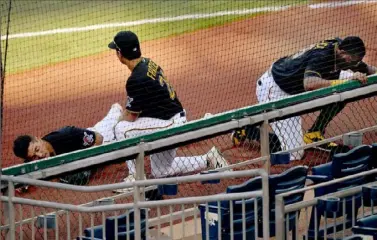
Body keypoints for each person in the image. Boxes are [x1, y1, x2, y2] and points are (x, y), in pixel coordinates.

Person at [108, 30, 230, 192]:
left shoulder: (136, 79)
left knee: (121, 129)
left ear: (120, 54)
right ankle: (209, 159)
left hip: (169, 124)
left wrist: (115, 126)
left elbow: (131, 116)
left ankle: (135, 177)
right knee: (161, 171)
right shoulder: (148, 63)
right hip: (173, 118)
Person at [232, 36, 377, 160]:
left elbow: (368, 70)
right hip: (276, 89)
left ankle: (314, 132)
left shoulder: (341, 51)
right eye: (352, 61)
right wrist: (345, 82)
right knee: (295, 153)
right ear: (342, 52)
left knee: (349, 87)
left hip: (296, 84)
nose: (354, 65)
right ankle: (248, 129)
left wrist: (362, 74)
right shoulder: (322, 57)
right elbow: (309, 84)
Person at [13, 103, 123, 185]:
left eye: (37, 149)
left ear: (38, 139)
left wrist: (84, 163)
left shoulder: (67, 135)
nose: (40, 155)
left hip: (102, 137)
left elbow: (99, 138)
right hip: (86, 137)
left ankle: (115, 111)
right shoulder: (33, 159)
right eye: (34, 157)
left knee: (115, 124)